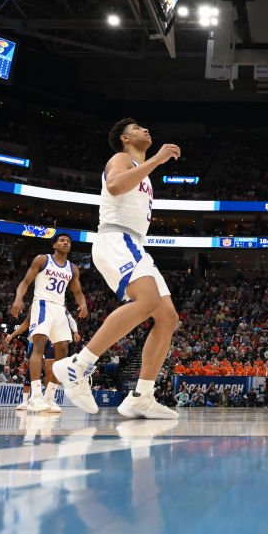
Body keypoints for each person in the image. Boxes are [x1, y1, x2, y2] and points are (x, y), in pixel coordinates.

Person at [52, 118, 182, 420]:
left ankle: (142, 397)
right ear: (124, 138)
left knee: (167, 317)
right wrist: (160, 159)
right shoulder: (121, 158)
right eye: (137, 128)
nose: (146, 129)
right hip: (116, 237)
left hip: (135, 244)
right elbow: (114, 185)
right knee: (147, 301)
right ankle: (78, 366)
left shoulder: (143, 171)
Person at [10, 233, 87, 413]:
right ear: (54, 245)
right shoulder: (42, 259)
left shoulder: (73, 268)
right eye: (62, 240)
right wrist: (18, 298)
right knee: (39, 346)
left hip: (60, 308)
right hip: (42, 304)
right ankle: (35, 396)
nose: (65, 243)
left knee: (63, 351)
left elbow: (77, 291)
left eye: (68, 241)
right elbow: (26, 281)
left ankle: (50, 397)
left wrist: (82, 303)